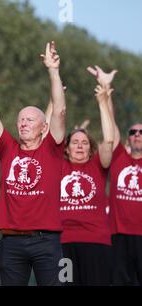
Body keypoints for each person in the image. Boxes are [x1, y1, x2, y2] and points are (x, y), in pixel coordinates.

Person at [0, 42, 66, 286]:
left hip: (46, 243)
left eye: (30, 120)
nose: (23, 123)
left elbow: (59, 110)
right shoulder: (8, 148)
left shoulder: (52, 149)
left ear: (44, 127)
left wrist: (53, 70)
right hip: (11, 242)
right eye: (20, 120)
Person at [54, 83, 114, 286]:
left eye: (85, 142)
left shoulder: (98, 165)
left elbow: (109, 140)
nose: (79, 146)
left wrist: (103, 103)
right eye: (75, 142)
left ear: (90, 150)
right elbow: (50, 133)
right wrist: (56, 99)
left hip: (96, 242)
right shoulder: (58, 166)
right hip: (63, 244)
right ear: (67, 149)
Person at [87, 65, 142, 285]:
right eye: (133, 132)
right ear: (127, 138)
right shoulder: (119, 158)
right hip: (117, 235)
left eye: (141, 132)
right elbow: (110, 127)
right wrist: (106, 87)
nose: (137, 135)